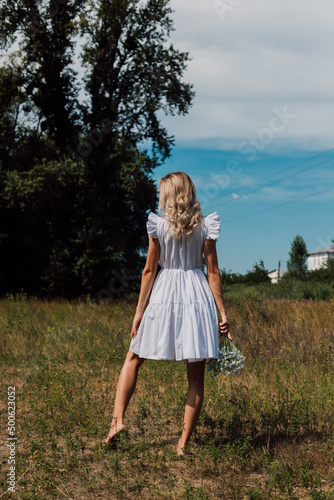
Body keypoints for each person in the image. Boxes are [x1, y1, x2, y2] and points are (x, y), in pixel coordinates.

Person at [104, 171, 231, 455]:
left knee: (134, 358)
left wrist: (139, 312)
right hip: (196, 296)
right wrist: (222, 312)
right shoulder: (206, 227)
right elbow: (213, 272)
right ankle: (182, 445)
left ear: (169, 195)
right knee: (195, 375)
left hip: (164, 295)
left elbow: (149, 270)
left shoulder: (158, 226)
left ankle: (117, 422)